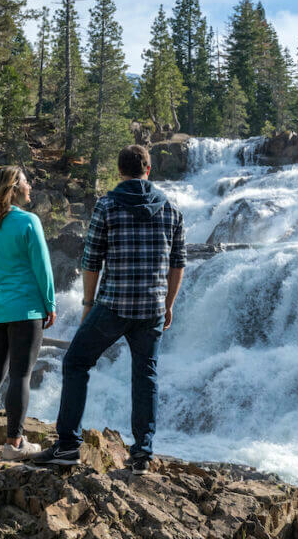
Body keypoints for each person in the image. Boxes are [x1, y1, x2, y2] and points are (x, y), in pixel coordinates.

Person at [32, 145, 185, 475]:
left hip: (113, 305)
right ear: (148, 169)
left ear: (120, 172)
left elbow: (91, 260)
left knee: (75, 362)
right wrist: (168, 304)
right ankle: (143, 455)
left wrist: (88, 305)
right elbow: (178, 264)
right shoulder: (172, 209)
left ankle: (68, 446)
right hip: (151, 309)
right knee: (146, 375)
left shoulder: (108, 205)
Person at [0, 165, 57, 462]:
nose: (30, 186)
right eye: (25, 182)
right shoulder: (28, 221)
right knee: (20, 375)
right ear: (13, 188)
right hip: (25, 309)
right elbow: (42, 267)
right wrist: (50, 303)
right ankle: (14, 443)